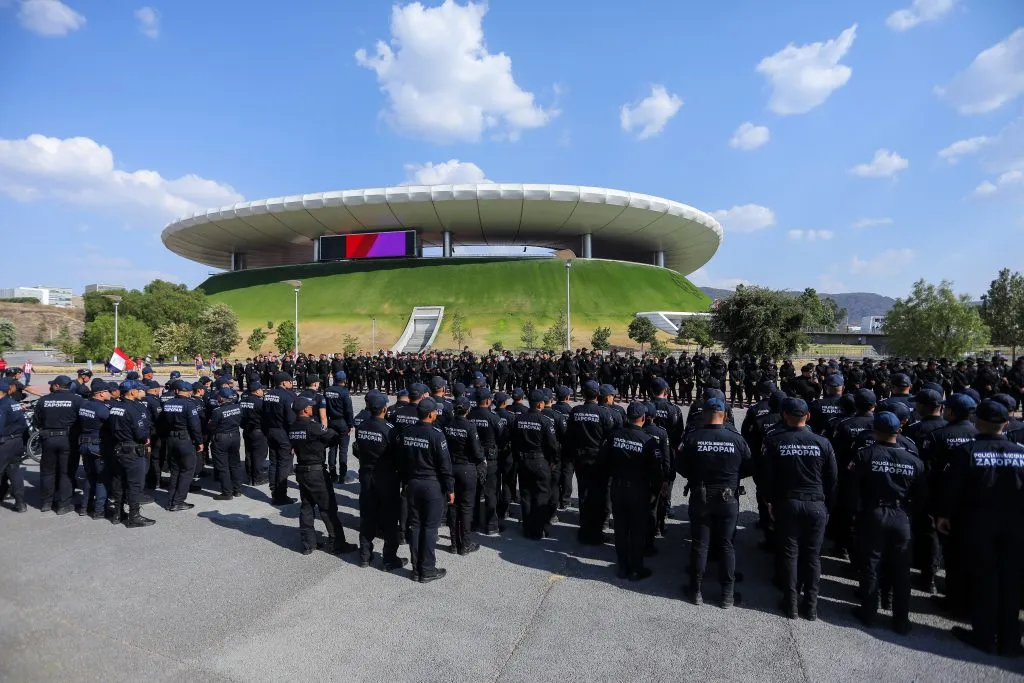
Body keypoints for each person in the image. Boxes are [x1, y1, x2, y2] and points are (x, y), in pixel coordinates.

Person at [940, 399, 1024, 656]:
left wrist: (943, 515)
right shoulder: (1021, 452)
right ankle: (1010, 640)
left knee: (984, 579)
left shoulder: (968, 451)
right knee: (1012, 581)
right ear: (1006, 424)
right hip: (1016, 524)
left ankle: (984, 635)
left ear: (977, 423)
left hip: (978, 523)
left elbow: (952, 488)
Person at [850, 411, 926, 634]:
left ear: (875, 429)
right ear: (899, 430)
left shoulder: (865, 455)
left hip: (873, 513)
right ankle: (901, 620)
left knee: (871, 565)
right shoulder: (914, 459)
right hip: (902, 516)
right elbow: (922, 495)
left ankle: (869, 613)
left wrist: (854, 514)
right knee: (902, 570)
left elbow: (852, 489)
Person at [762, 397, 838, 620]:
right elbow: (833, 480)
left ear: (785, 415)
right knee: (813, 556)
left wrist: (769, 502)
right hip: (816, 504)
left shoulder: (775, 440)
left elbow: (767, 478)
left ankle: (791, 604)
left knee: (790, 554)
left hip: (788, 504)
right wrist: (828, 507)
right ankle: (811, 606)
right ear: (808, 416)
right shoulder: (823, 443)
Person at [679, 397, 752, 607]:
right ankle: (727, 595)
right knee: (726, 545)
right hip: (728, 497)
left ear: (703, 415)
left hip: (701, 495)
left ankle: (695, 592)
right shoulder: (737, 439)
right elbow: (748, 466)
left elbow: (681, 466)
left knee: (700, 544)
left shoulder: (693, 437)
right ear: (726, 416)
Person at [288, 396, 358, 555]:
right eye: (310, 407)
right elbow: (333, 438)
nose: (312, 408)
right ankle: (338, 544)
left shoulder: (293, 427)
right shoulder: (313, 427)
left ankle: (308, 544)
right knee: (328, 509)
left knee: (306, 506)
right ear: (305, 410)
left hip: (302, 471)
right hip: (316, 473)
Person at [601, 401, 661, 581]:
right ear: (644, 418)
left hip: (618, 487)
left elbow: (603, 462)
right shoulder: (649, 442)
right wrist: (654, 493)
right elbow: (657, 472)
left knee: (620, 529)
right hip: (639, 490)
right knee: (637, 531)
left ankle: (622, 567)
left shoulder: (613, 435)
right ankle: (636, 568)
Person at [396, 397, 454, 583]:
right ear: (431, 414)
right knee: (429, 528)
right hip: (431, 485)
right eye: (435, 411)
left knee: (415, 526)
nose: (437, 413)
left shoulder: (407, 432)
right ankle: (427, 569)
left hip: (412, 484)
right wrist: (450, 488)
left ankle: (416, 569)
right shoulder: (437, 435)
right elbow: (445, 466)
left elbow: (402, 461)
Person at [352, 392, 406, 570]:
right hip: (386, 477)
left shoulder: (362, 426)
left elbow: (357, 450)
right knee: (390, 519)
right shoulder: (389, 429)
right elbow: (398, 456)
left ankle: (365, 556)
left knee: (367, 516)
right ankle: (389, 558)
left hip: (367, 475)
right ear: (384, 409)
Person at [567, 380, 616, 544]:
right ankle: (596, 532)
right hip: (597, 459)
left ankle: (584, 528)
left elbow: (570, 435)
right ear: (597, 395)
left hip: (580, 457)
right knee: (598, 495)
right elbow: (610, 437)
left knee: (583, 493)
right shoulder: (603, 413)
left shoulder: (575, 411)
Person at [510, 390, 559, 540]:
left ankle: (527, 527)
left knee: (526, 494)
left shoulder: (519, 419)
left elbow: (514, 441)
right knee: (541, 495)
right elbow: (553, 445)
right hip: (540, 461)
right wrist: (554, 461)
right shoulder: (545, 421)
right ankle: (538, 529)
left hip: (523, 460)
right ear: (539, 404)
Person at [108, 380, 155, 527]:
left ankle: (118, 513)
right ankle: (134, 517)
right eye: (139, 390)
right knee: (135, 485)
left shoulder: (115, 406)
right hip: (133, 450)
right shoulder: (135, 409)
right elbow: (141, 433)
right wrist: (147, 439)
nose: (141, 392)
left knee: (119, 483)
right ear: (132, 392)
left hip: (118, 449)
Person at [33, 375, 83, 513]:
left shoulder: (43, 400)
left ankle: (46, 503)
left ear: (57, 386)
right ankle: (63, 505)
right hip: (68, 440)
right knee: (66, 473)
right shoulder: (77, 400)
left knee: (48, 472)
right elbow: (82, 421)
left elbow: (36, 421)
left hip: (48, 439)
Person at [443, 396, 484, 554]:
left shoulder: (448, 424)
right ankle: (465, 544)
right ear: (467, 410)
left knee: (453, 506)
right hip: (466, 468)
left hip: (451, 467)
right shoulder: (469, 426)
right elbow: (477, 452)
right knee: (466, 508)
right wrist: (482, 458)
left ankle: (454, 544)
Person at [159, 379, 204, 512]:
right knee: (187, 471)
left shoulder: (167, 404)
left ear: (176, 391)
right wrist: (199, 441)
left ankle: (171, 500)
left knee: (175, 471)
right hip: (185, 439)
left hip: (171, 439)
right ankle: (178, 501)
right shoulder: (189, 405)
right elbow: (195, 426)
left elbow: (162, 423)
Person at [76, 378, 111, 519]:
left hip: (84, 444)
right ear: (101, 393)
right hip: (97, 446)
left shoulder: (84, 404)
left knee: (90, 477)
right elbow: (111, 425)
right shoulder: (102, 408)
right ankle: (99, 511)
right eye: (107, 391)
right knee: (102, 478)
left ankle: (85, 507)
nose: (110, 393)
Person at [261, 372, 297, 505]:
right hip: (283, 433)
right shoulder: (289, 396)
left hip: (271, 432)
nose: (291, 383)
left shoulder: (268, 395)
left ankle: (274, 492)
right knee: (284, 464)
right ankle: (281, 495)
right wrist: (294, 440)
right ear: (283, 382)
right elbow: (291, 420)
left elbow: (263, 415)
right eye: (289, 381)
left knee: (274, 462)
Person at [208, 388, 244, 500]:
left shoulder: (217, 411)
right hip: (235, 436)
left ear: (222, 398)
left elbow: (212, 426)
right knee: (235, 464)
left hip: (221, 438)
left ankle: (227, 492)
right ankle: (237, 490)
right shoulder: (238, 408)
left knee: (223, 466)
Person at [0, 378, 29, 512]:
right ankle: (20, 503)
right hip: (16, 441)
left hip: (4, 443)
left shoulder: (2, 406)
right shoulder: (14, 403)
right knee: (15, 472)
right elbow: (24, 426)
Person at [324, 371, 356, 484]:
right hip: (342, 422)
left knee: (332, 448)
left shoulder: (327, 390)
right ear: (344, 380)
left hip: (331, 421)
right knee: (343, 450)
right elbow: (348, 409)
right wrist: (351, 424)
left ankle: (332, 474)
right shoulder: (344, 391)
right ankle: (342, 476)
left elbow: (324, 407)